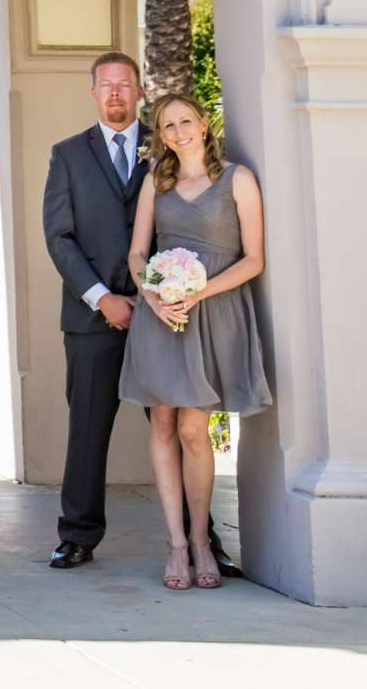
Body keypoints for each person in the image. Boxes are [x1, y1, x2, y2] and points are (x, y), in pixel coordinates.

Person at [121, 91, 270, 592]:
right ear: (160, 136)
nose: (179, 131)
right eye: (168, 126)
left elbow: (253, 259)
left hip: (212, 311)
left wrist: (198, 290)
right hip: (161, 315)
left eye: (186, 121)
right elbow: (138, 253)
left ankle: (203, 538)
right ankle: (176, 544)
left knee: (193, 430)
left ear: (204, 125)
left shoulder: (237, 179)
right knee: (162, 422)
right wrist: (154, 294)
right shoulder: (155, 183)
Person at [41, 51, 149, 570]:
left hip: (162, 315)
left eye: (124, 85)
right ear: (93, 92)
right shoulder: (67, 155)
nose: (115, 94)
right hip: (91, 317)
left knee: (183, 429)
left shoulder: (166, 146)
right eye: (106, 86)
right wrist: (101, 296)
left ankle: (202, 537)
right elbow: (58, 237)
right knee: (87, 427)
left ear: (139, 92)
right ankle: (78, 535)